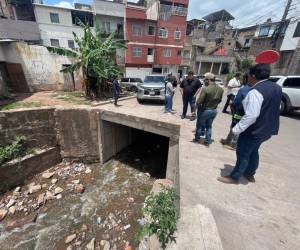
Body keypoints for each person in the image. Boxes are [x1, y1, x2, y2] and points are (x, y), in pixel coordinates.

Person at [218, 64, 282, 184]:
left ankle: (234, 177)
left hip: (254, 130)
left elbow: (251, 115)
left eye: (248, 76)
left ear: (253, 76)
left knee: (243, 152)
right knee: (253, 150)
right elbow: (276, 107)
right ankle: (250, 174)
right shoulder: (276, 88)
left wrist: (236, 129)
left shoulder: (256, 91)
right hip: (268, 129)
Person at [220, 73, 251, 149]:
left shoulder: (245, 89)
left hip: (239, 111)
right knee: (235, 126)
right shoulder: (254, 88)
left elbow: (237, 102)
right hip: (246, 112)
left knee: (236, 126)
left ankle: (234, 144)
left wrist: (232, 105)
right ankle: (228, 140)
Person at [194, 72, 224, 146]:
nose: (204, 82)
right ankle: (207, 141)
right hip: (214, 110)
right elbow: (220, 100)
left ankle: (197, 139)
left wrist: (194, 110)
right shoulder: (221, 89)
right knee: (209, 126)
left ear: (208, 80)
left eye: (205, 80)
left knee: (199, 125)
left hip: (205, 110)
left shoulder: (205, 89)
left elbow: (199, 101)